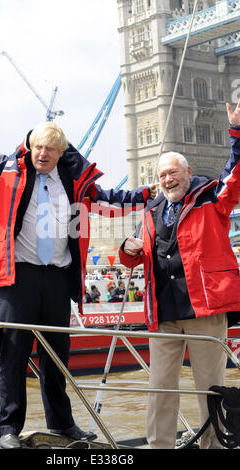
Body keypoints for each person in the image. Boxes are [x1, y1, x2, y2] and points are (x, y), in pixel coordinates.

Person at [0, 77, 157, 449]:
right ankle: (9, 430)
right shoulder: (1, 171)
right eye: (38, 146)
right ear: (30, 147)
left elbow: (109, 200)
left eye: (50, 149)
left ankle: (62, 424)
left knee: (57, 356)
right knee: (13, 356)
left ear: (61, 154)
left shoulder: (74, 184)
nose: (43, 153)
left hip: (58, 278)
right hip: (17, 277)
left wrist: (146, 195)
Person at [119, 99, 240, 449]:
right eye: (162, 176)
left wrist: (236, 133)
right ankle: (159, 446)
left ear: (188, 173)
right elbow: (142, 255)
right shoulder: (151, 209)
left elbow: (235, 173)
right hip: (164, 310)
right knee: (160, 386)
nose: (168, 179)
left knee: (210, 385)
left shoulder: (211, 199)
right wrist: (127, 251)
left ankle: (213, 446)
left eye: (173, 172)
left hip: (204, 307)